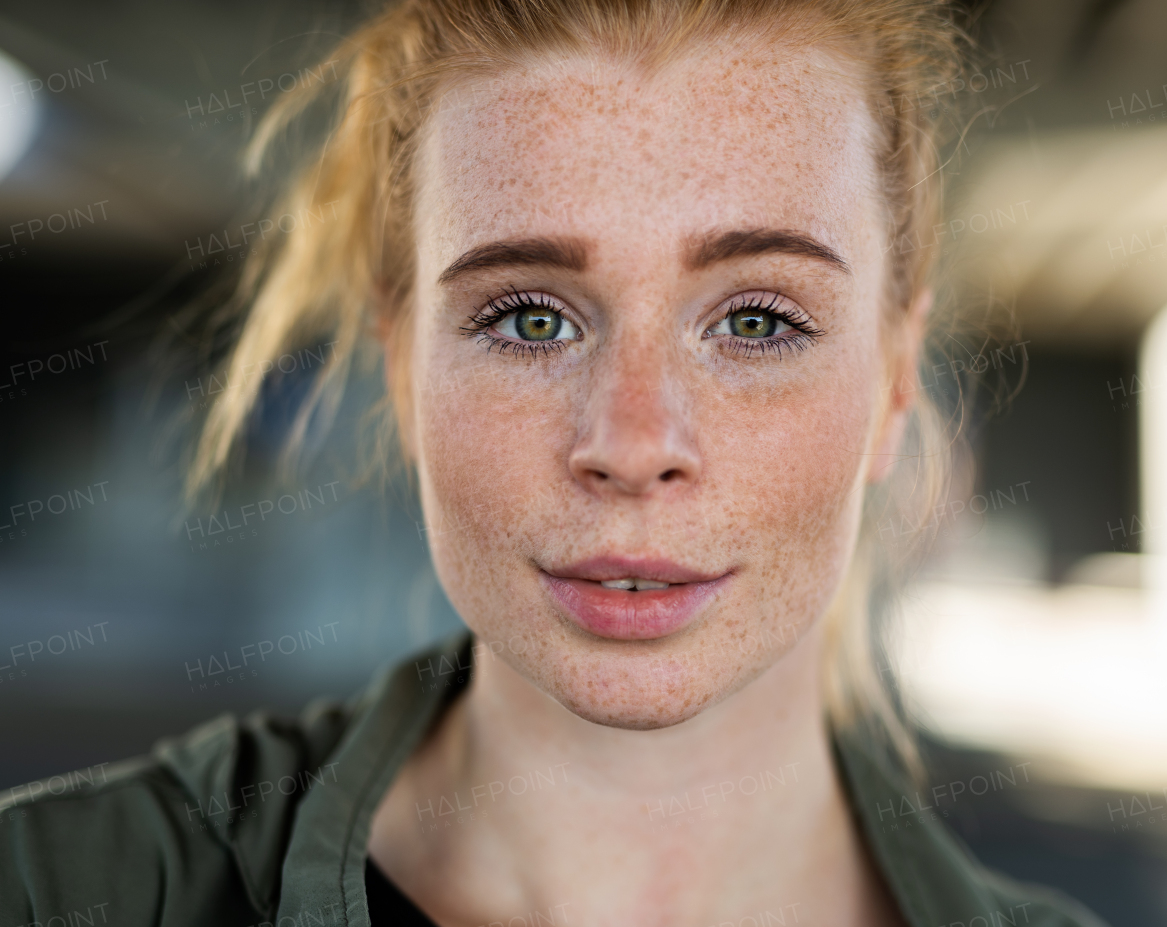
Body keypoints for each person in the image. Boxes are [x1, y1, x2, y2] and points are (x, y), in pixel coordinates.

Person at [1, 1, 1108, 925]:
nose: (631, 445)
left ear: (894, 384)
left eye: (758, 322)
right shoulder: (58, 891)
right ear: (401, 374)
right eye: (529, 320)